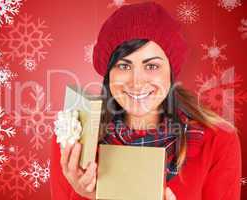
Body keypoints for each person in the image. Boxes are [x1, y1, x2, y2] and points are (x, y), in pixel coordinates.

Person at [50, 2, 242, 200]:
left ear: (171, 71)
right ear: (109, 74)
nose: (137, 82)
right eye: (124, 66)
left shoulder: (218, 141)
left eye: (151, 66)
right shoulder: (74, 141)